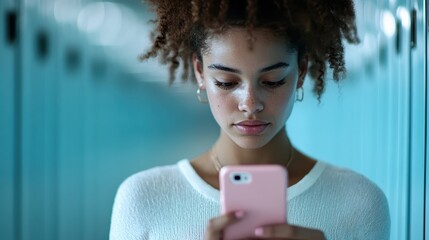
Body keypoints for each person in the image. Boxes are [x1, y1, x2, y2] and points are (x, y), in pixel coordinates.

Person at [109, 0, 390, 239]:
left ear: (301, 72)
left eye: (272, 81)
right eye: (227, 82)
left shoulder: (359, 203)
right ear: (200, 72)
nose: (250, 104)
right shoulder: (142, 199)